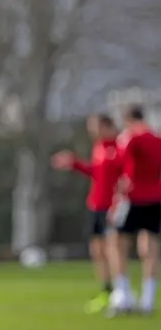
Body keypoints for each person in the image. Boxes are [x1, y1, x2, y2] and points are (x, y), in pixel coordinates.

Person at [51, 114, 123, 314]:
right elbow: (97, 173)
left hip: (112, 206)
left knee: (112, 249)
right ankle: (106, 290)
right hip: (96, 204)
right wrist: (73, 163)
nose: (92, 131)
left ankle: (120, 291)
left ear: (107, 125)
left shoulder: (119, 146)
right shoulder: (99, 147)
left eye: (95, 127)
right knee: (97, 250)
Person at [107, 105, 161, 316]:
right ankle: (148, 299)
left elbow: (118, 162)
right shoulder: (156, 138)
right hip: (155, 196)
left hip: (133, 196)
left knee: (116, 243)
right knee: (150, 246)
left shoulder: (130, 137)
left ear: (128, 119)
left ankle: (123, 295)